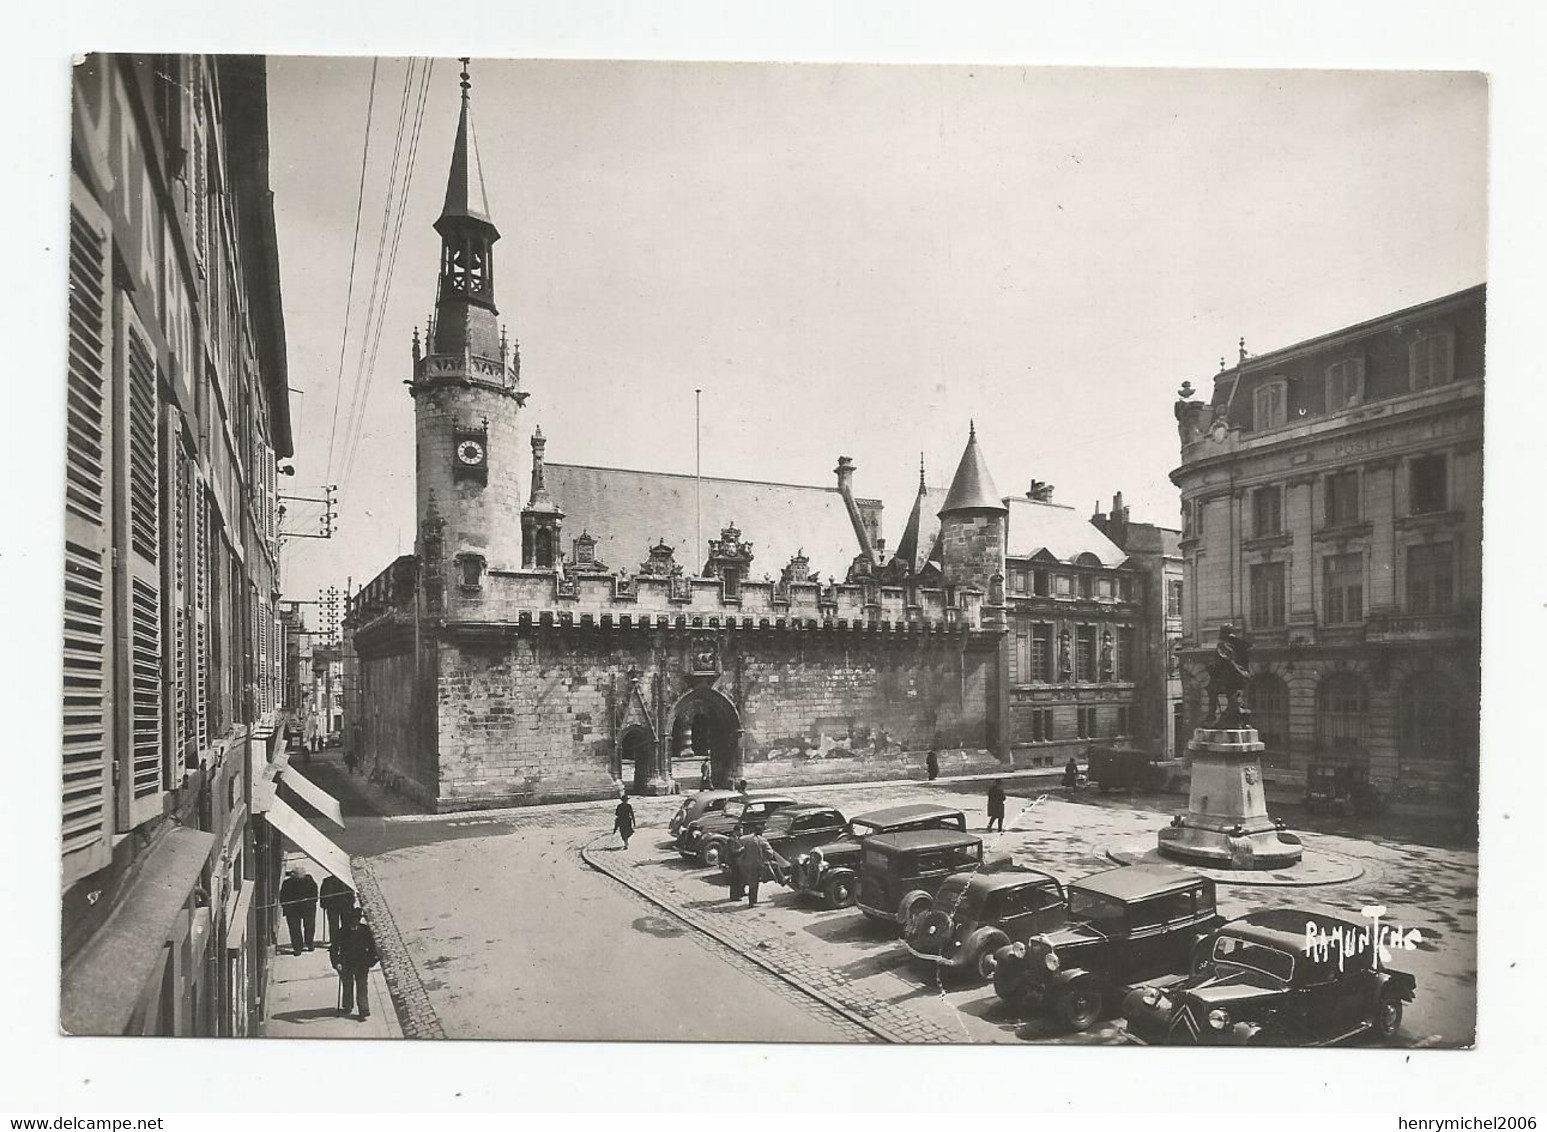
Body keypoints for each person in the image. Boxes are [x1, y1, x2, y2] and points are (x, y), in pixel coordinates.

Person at [329, 907, 380, 1022]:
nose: (353, 926)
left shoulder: (365, 930)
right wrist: (337, 963)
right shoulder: (342, 932)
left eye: (355, 923)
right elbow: (333, 949)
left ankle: (363, 1009)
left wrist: (371, 961)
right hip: (346, 963)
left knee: (362, 986)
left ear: (358, 921)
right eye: (352, 923)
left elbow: (373, 948)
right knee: (347, 985)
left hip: (361, 964)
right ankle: (348, 1005)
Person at [728, 829, 788, 908]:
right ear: (761, 833)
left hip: (745, 864)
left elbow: (739, 849)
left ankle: (748, 899)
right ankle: (782, 880)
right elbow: (770, 853)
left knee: (747, 881)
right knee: (773, 867)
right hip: (757, 864)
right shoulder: (762, 840)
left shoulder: (744, 838)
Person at [278, 866, 319, 955]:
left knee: (309, 926)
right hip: (293, 909)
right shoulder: (287, 883)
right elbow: (283, 896)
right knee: (294, 929)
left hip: (307, 908)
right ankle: (297, 947)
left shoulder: (309, 881)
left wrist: (311, 901)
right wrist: (286, 906)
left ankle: (309, 943)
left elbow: (315, 894)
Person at [319, 872, 355, 943]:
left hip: (344, 906)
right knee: (334, 925)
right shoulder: (327, 881)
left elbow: (351, 892)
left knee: (345, 923)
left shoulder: (346, 880)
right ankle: (335, 940)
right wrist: (323, 904)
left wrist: (351, 902)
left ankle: (345, 939)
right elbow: (323, 894)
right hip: (333, 907)